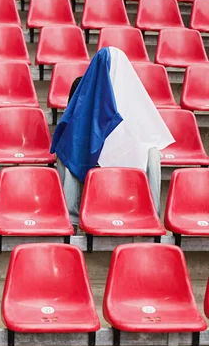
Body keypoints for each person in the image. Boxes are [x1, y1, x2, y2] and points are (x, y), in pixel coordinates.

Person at [51, 47, 174, 227]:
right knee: (66, 153)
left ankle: (152, 214)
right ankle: (72, 218)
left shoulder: (131, 89)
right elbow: (73, 124)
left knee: (153, 154)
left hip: (125, 146)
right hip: (92, 145)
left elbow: (141, 126)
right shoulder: (82, 84)